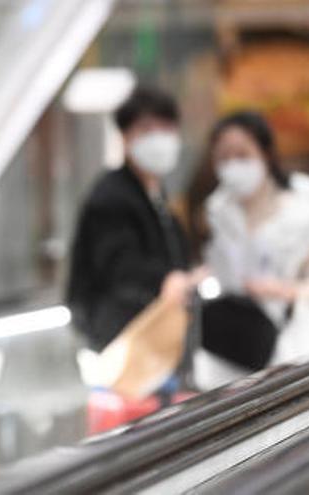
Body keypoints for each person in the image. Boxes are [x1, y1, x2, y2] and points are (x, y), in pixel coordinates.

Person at [67, 85, 201, 356]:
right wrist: (163, 280)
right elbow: (119, 264)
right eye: (147, 129)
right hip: (119, 338)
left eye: (166, 128)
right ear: (126, 137)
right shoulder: (111, 196)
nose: (159, 138)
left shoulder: (156, 194)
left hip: (153, 335)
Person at [185, 111, 309, 387]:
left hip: (294, 343)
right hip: (228, 351)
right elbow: (217, 268)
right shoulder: (216, 210)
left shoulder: (304, 204)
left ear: (266, 153)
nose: (232, 165)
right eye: (223, 157)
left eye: (242, 154)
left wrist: (285, 290)